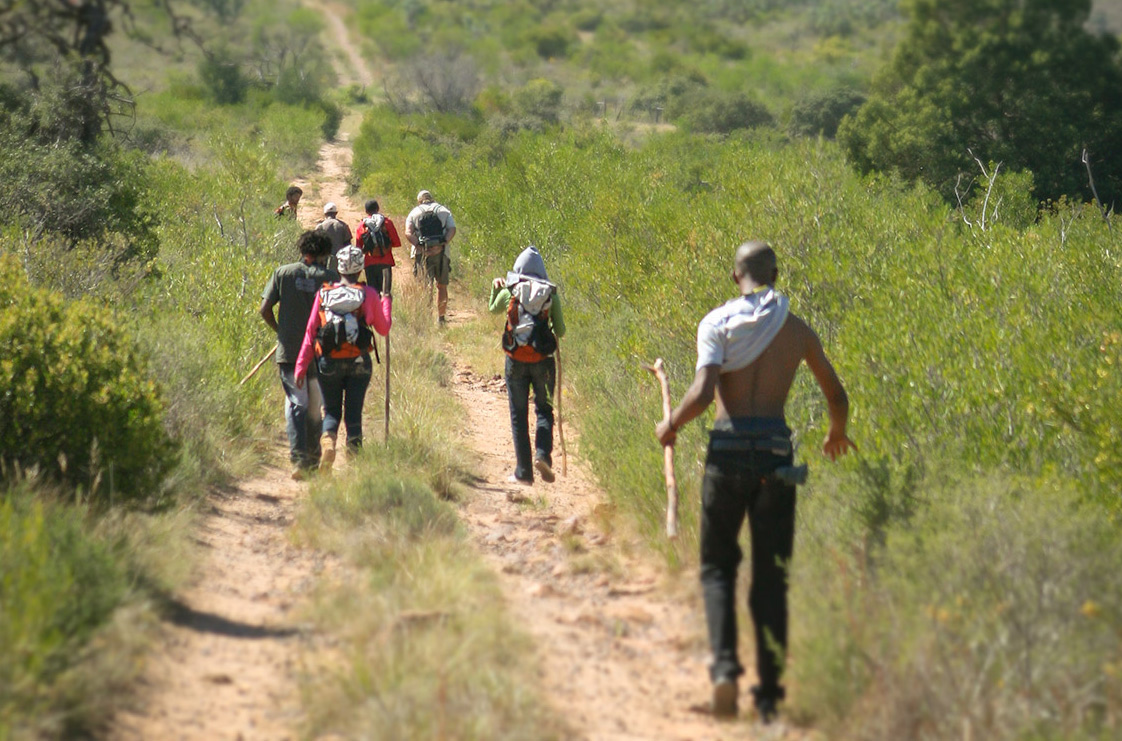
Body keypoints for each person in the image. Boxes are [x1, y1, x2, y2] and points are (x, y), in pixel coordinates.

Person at [655, 241, 856, 723]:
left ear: (734, 278)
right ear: (776, 275)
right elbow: (838, 396)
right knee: (772, 578)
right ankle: (768, 697)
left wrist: (672, 425)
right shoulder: (797, 330)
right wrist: (836, 434)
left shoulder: (716, 323)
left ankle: (724, 670)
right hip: (775, 456)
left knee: (718, 568)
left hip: (726, 453)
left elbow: (704, 393)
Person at [295, 246, 392, 471]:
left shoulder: (324, 293)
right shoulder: (368, 294)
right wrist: (386, 301)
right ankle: (355, 463)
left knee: (330, 411)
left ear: (338, 269)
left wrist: (301, 366)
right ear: (360, 270)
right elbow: (383, 329)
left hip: (327, 362)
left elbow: (311, 333)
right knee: (354, 412)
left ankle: (329, 441)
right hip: (358, 361)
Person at [259, 230, 339, 479]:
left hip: (290, 350)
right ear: (324, 253)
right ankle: (314, 458)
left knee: (296, 403)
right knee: (315, 406)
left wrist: (280, 331)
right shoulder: (330, 276)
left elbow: (264, 309)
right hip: (320, 352)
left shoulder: (283, 272)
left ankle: (299, 459)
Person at [489, 246, 566, 485]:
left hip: (515, 361)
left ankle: (523, 472)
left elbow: (493, 309)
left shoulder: (510, 291)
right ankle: (542, 455)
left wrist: (495, 290)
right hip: (543, 362)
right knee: (544, 410)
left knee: (518, 414)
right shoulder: (550, 295)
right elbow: (561, 331)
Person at [404, 189, 456, 325]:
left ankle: (426, 317)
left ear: (419, 200)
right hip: (442, 253)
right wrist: (443, 244)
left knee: (425, 286)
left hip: (422, 254)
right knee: (442, 286)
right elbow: (452, 229)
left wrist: (420, 247)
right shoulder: (444, 210)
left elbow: (408, 233)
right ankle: (441, 318)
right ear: (431, 198)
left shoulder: (414, 212)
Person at [355, 198, 401, 294]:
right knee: (386, 293)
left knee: (373, 294)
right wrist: (386, 246)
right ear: (378, 208)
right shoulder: (387, 223)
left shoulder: (362, 225)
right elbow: (396, 242)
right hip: (386, 262)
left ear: (366, 211)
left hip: (369, 263)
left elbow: (358, 248)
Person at [316, 202, 353, 271]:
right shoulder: (343, 226)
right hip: (340, 261)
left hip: (324, 262)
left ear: (325, 213)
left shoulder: (320, 226)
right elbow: (348, 245)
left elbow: (316, 246)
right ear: (336, 213)